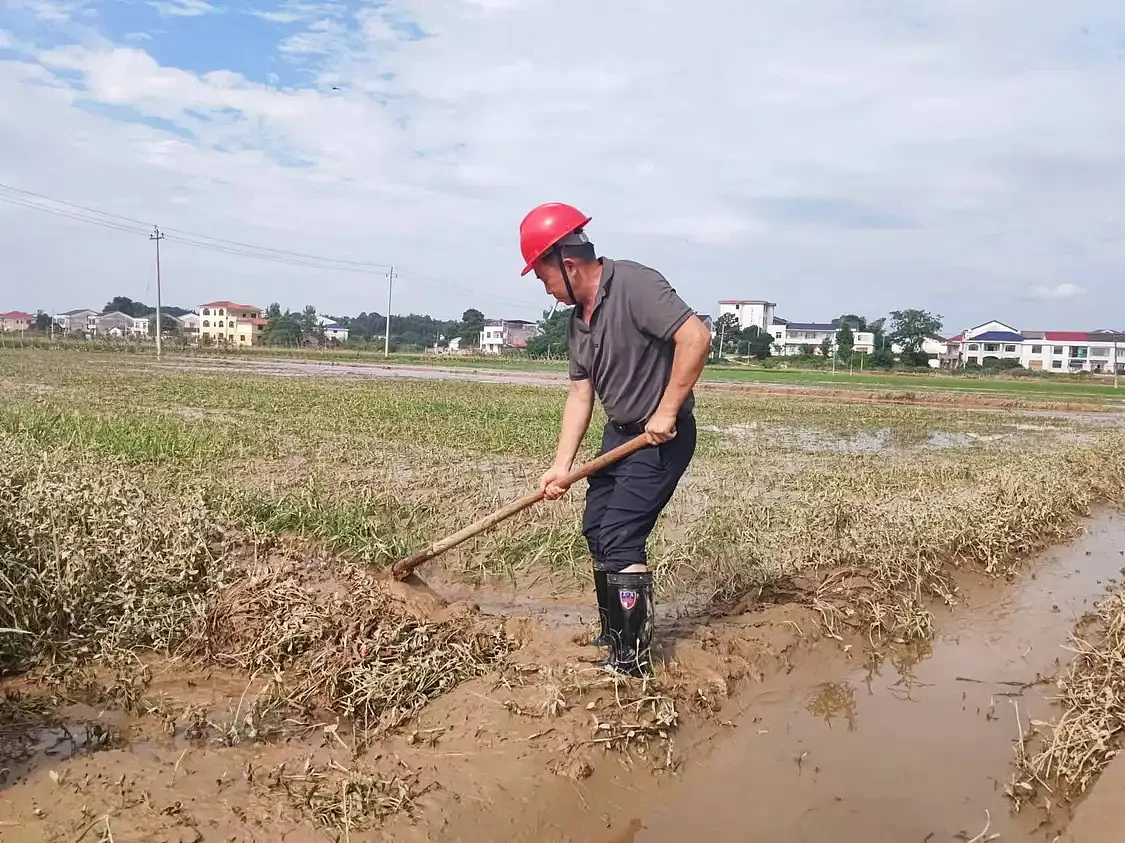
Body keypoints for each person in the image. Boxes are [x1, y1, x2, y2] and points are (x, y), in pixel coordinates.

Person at [518, 202, 712, 677]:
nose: (546, 290)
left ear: (568, 265)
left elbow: (696, 337)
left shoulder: (634, 284)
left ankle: (631, 659)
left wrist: (666, 412)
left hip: (660, 438)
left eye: (543, 278)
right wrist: (561, 465)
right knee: (597, 525)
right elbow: (581, 393)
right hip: (620, 434)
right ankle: (614, 632)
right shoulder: (577, 321)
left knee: (622, 535)